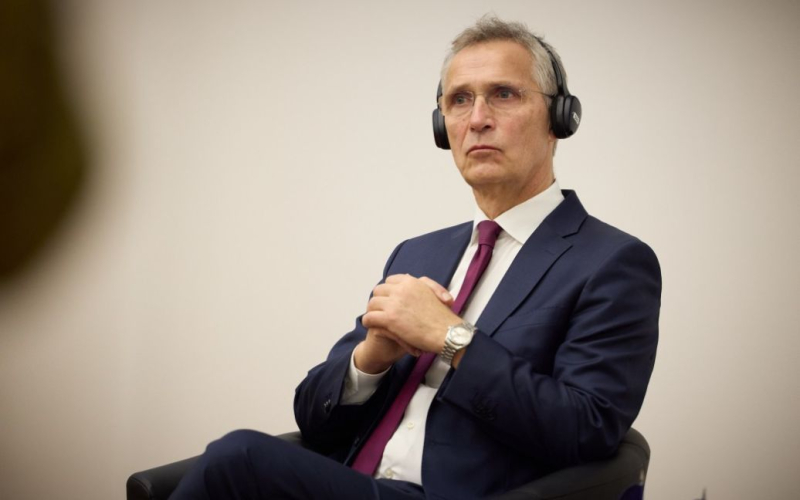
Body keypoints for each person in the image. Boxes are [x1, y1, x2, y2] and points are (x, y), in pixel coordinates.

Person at [170, 15, 661, 500]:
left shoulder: (612, 262)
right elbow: (313, 418)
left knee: (237, 459)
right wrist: (371, 359)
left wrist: (451, 340)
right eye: (459, 100)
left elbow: (586, 430)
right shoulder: (420, 252)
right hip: (355, 481)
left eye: (503, 94)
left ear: (559, 118)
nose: (478, 119)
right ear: (442, 126)